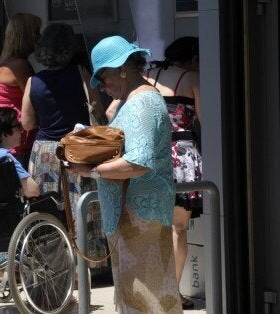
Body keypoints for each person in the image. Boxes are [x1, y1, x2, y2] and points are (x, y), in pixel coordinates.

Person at [73, 36, 182, 313]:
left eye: (102, 76)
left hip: (140, 218)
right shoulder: (133, 100)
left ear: (123, 68)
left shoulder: (143, 102)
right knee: (138, 298)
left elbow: (138, 162)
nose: (100, 85)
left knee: (146, 300)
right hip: (134, 215)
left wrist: (91, 170)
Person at [21, 22, 110, 270]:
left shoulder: (33, 81)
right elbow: (98, 111)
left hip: (44, 153)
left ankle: (54, 266)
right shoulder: (81, 73)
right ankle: (88, 264)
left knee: (50, 210)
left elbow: (27, 123)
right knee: (84, 207)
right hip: (77, 148)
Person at [145, 36, 202, 309]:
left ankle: (152, 291)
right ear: (194, 58)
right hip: (182, 158)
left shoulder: (146, 76)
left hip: (150, 157)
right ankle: (171, 294)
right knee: (178, 229)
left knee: (154, 228)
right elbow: (208, 118)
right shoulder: (191, 78)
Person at [0, 13, 42, 169]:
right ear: (26, 36)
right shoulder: (20, 66)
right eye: (36, 32)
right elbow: (36, 100)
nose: (39, 37)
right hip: (19, 138)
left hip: (4, 135)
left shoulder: (1, 62)